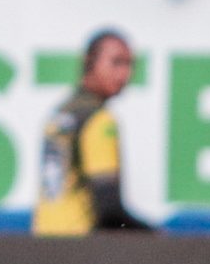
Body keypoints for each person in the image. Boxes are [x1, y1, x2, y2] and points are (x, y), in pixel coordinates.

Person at [34, 29, 151, 236]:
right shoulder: (99, 120)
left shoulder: (61, 113)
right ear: (89, 62)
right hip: (81, 245)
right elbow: (108, 210)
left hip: (44, 240)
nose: (125, 74)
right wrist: (155, 235)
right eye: (116, 62)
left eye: (129, 64)